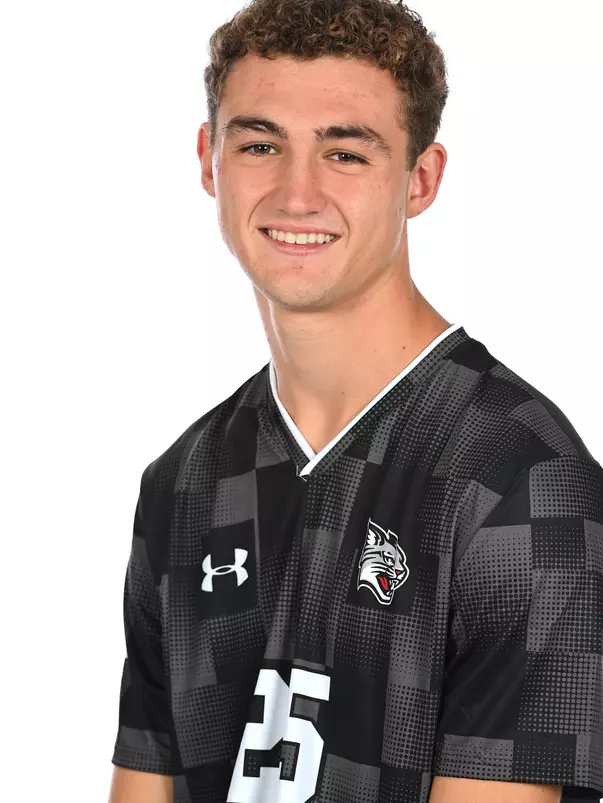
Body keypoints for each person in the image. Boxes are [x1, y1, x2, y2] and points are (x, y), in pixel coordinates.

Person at [108, 1, 603, 801]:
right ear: (208, 160)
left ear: (420, 179)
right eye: (260, 144)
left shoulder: (521, 479)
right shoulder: (183, 480)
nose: (296, 192)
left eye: (344, 153)